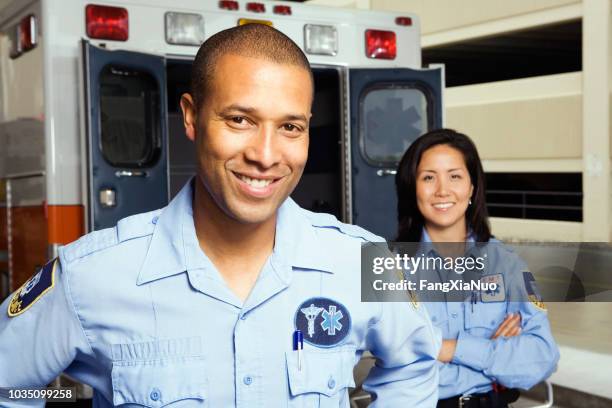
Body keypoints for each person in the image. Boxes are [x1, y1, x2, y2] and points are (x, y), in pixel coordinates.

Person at [0, 24, 440, 407]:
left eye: (290, 127)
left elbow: (413, 365)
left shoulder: (361, 261)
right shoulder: (89, 276)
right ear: (191, 118)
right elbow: (11, 388)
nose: (265, 156)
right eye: (239, 120)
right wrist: (61, 397)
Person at [395, 129, 560, 408]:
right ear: (413, 188)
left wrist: (449, 348)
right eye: (428, 177)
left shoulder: (507, 264)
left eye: (455, 176)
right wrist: (494, 353)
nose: (442, 190)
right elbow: (395, 362)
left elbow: (542, 356)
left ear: (472, 188)